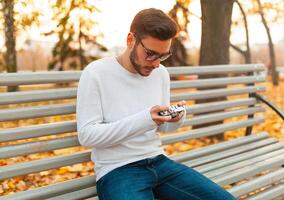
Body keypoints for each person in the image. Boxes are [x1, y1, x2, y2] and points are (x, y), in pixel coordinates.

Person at [76, 8, 235, 200]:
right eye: (151, 54)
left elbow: (164, 127)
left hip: (159, 163)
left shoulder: (160, 74)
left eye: (163, 56)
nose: (156, 63)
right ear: (130, 40)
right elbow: (87, 135)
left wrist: (175, 118)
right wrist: (146, 118)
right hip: (117, 170)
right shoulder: (96, 73)